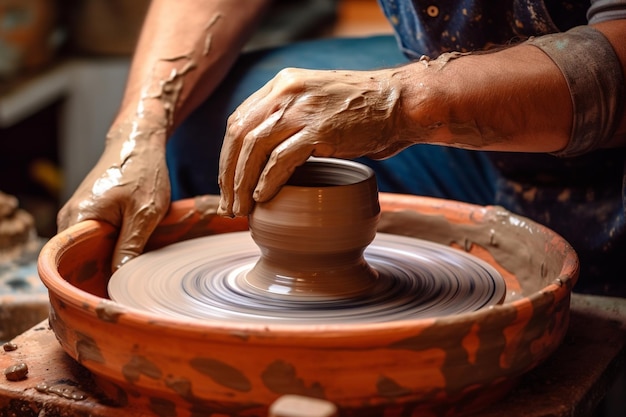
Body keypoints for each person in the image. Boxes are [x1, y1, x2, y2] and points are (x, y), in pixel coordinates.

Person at [57, 0, 625, 296]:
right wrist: (138, 132)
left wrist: (399, 106)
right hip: (484, 148)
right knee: (226, 129)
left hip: (611, 170)